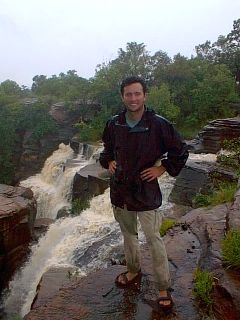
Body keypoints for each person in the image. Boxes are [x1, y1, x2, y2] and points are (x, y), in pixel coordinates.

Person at [99, 76, 189, 311]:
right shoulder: (114, 123)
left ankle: (162, 286)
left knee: (153, 238)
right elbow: (107, 149)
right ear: (122, 97)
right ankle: (132, 270)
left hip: (145, 190)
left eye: (137, 93)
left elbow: (180, 151)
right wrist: (108, 161)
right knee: (128, 235)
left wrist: (162, 168)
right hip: (120, 190)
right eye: (128, 94)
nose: (133, 98)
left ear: (145, 95)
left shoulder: (158, 124)